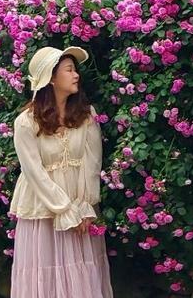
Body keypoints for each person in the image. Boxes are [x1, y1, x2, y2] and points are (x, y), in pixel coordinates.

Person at [10, 44, 113, 298]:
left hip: (80, 207)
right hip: (43, 209)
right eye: (69, 70)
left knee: (81, 273)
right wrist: (64, 208)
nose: (76, 75)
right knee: (45, 275)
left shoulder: (86, 115)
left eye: (75, 70)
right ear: (51, 78)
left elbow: (92, 163)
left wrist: (85, 206)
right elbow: (33, 172)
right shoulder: (26, 122)